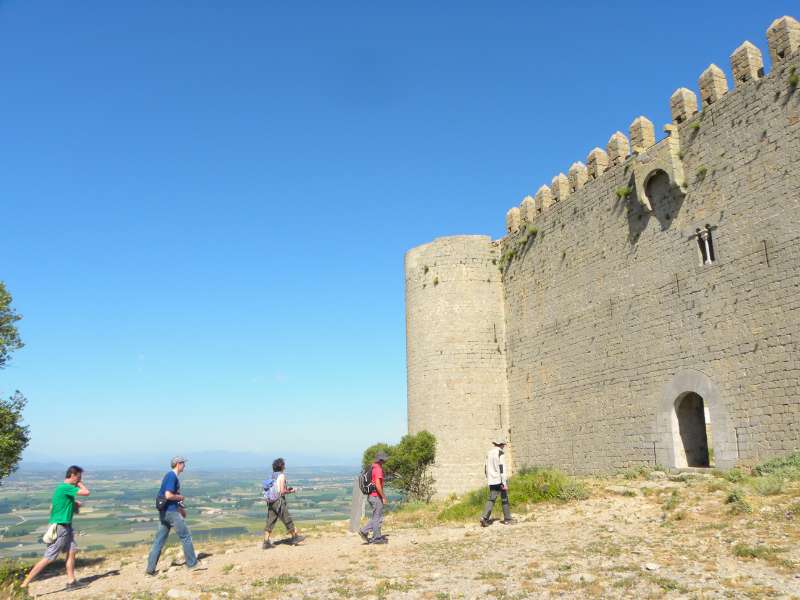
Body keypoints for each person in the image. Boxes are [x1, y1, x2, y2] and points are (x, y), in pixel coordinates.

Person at [21, 465, 91, 591]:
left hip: (65, 526)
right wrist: (80, 484)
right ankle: (24, 584)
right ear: (73, 475)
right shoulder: (65, 487)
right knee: (49, 557)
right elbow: (86, 492)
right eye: (79, 477)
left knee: (72, 551)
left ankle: (71, 582)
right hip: (61, 528)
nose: (79, 480)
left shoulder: (62, 489)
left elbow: (56, 507)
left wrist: (75, 505)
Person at [146, 457, 202, 575]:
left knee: (159, 541)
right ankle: (192, 564)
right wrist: (180, 498)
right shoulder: (172, 476)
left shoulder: (169, 476)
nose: (184, 466)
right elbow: (168, 495)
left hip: (164, 513)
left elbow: (171, 496)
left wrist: (181, 509)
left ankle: (150, 570)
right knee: (186, 536)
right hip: (171, 513)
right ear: (178, 464)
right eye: (183, 463)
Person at [262, 457, 305, 549]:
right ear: (281, 466)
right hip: (279, 501)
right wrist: (291, 491)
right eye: (284, 465)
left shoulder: (272, 475)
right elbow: (282, 491)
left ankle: (266, 542)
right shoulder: (281, 476)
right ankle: (295, 537)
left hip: (271, 502)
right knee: (287, 519)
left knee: (270, 521)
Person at [480, 439, 514, 527]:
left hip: (491, 480)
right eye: (503, 445)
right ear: (501, 445)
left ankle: (484, 518)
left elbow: (485, 467)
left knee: (491, 499)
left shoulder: (489, 453)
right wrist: (504, 483)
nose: (504, 446)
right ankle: (508, 519)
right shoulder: (500, 453)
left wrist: (489, 478)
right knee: (504, 499)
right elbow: (502, 469)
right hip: (499, 480)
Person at [358, 451, 388, 544]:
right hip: (376, 496)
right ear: (381, 460)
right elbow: (378, 485)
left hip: (371, 495)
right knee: (377, 517)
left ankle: (365, 531)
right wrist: (383, 496)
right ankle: (376, 538)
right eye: (384, 459)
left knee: (377, 516)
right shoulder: (378, 469)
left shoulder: (372, 467)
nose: (385, 461)